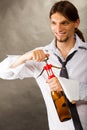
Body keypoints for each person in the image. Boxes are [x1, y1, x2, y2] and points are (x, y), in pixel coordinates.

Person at [0, 1, 87, 130]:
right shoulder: (41, 56)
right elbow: (3, 72)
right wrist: (25, 57)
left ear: (76, 23)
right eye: (54, 23)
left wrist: (65, 86)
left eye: (64, 23)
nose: (58, 29)